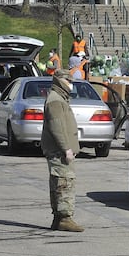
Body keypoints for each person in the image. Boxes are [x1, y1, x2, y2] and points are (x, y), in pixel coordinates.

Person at [41, 69, 83, 232]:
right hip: (59, 151)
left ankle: (58, 218)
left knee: (59, 183)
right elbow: (56, 126)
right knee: (64, 183)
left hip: (60, 150)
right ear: (60, 81)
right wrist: (66, 148)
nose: (71, 85)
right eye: (69, 81)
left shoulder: (58, 98)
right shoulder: (56, 100)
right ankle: (65, 217)